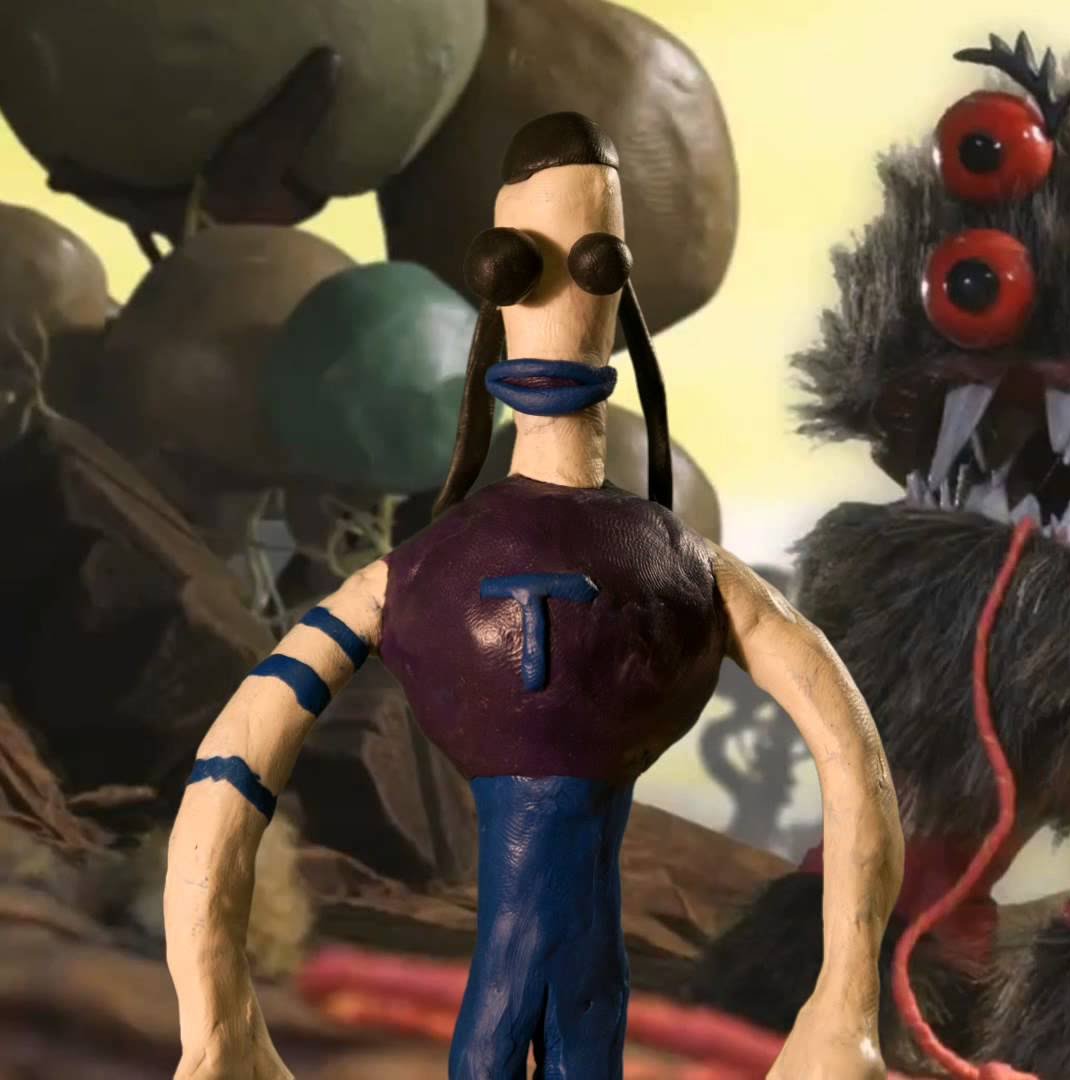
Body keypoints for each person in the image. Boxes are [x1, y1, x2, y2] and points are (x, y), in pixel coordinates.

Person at [163, 111, 903, 1080]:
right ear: (495, 285)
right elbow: (851, 760)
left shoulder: (621, 571)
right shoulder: (441, 575)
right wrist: (215, 1023)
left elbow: (855, 760)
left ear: (615, 285)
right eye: (522, 269)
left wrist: (847, 1004)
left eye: (590, 265)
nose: (556, 298)